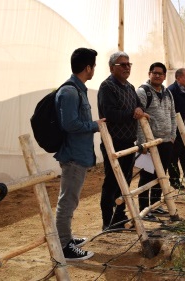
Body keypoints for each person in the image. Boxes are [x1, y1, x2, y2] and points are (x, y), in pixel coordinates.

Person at [54, 48, 105, 260]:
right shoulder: (69, 92)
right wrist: (95, 125)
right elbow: (70, 124)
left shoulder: (78, 89)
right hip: (73, 156)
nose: (94, 69)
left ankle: (65, 237)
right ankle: (64, 246)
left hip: (79, 154)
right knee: (67, 201)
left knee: (70, 200)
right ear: (87, 67)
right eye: (93, 66)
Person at [97, 51, 148, 231]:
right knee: (112, 181)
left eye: (129, 64)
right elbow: (110, 115)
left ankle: (120, 216)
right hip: (113, 143)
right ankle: (108, 221)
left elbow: (138, 105)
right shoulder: (107, 87)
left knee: (125, 180)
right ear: (112, 68)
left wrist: (139, 110)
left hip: (128, 142)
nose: (127, 67)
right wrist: (133, 114)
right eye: (123, 64)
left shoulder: (129, 87)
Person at [136, 62, 176, 220]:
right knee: (147, 176)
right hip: (150, 143)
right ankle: (144, 209)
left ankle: (155, 205)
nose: (157, 75)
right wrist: (142, 142)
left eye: (160, 73)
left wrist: (173, 136)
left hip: (166, 141)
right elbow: (138, 119)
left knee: (161, 174)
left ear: (165, 76)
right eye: (154, 73)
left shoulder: (168, 93)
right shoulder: (143, 92)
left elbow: (173, 115)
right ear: (149, 74)